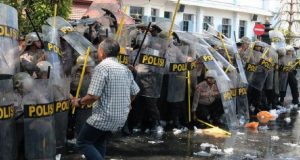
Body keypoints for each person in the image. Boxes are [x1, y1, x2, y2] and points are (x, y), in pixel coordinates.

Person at [71, 38, 140, 160]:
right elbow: (135, 91)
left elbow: (93, 96)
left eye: (98, 50)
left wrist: (79, 102)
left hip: (104, 117)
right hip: (121, 117)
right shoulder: (125, 68)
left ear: (102, 52)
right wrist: (128, 103)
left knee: (83, 142)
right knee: (99, 142)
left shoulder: (101, 68)